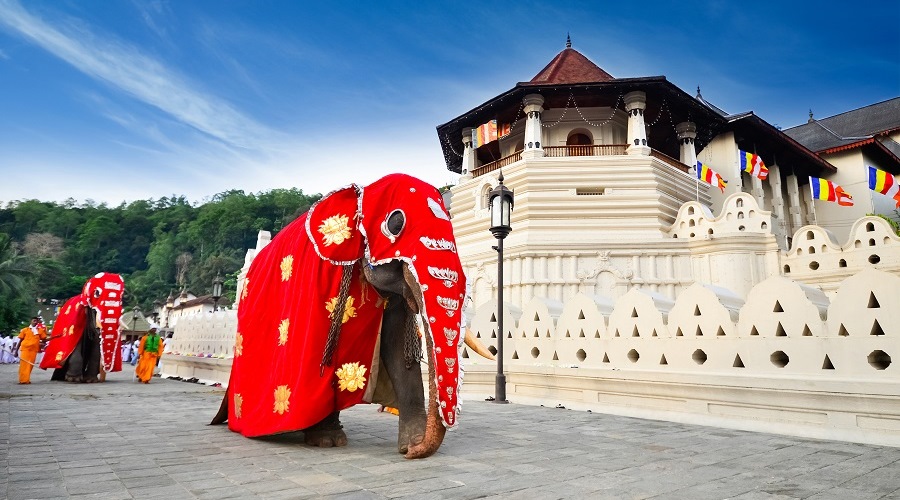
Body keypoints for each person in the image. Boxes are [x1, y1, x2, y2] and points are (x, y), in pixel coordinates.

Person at [14, 317, 48, 384]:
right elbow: (20, 340)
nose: (35, 322)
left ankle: (26, 379)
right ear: (31, 321)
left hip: (34, 350)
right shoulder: (25, 330)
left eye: (36, 321)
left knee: (30, 365)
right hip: (25, 349)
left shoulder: (40, 330)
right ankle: (23, 380)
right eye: (34, 321)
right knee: (24, 365)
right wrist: (16, 351)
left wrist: (54, 337)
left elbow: (44, 340)